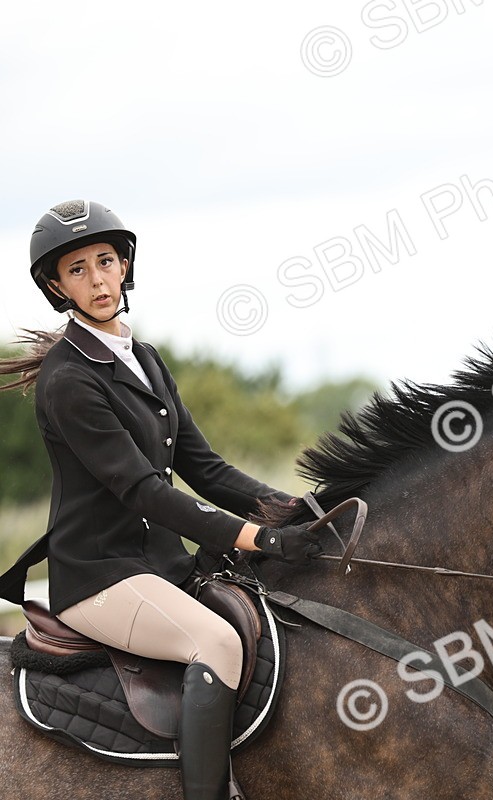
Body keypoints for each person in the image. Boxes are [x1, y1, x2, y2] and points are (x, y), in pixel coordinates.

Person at [0, 200, 322, 800]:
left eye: (105, 261)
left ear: (125, 264)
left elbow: (205, 468)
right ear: (55, 285)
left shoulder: (144, 359)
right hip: (101, 578)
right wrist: (258, 539)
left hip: (160, 567)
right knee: (217, 643)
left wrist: (293, 510)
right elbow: (145, 490)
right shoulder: (68, 379)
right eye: (77, 270)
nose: (97, 280)